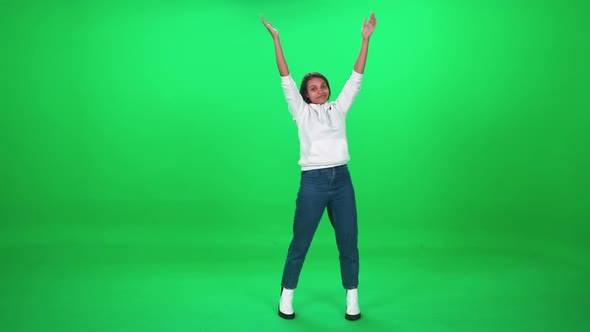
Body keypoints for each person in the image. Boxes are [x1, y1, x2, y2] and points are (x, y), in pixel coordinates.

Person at [261, 13, 377, 321]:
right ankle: (286, 296)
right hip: (313, 183)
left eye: (323, 85)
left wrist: (365, 40)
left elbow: (356, 79)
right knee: (301, 241)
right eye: (314, 88)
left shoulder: (338, 109)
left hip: (342, 182)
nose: (321, 90)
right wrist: (276, 40)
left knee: (348, 241)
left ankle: (352, 298)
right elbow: (285, 78)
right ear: (304, 95)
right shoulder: (301, 113)